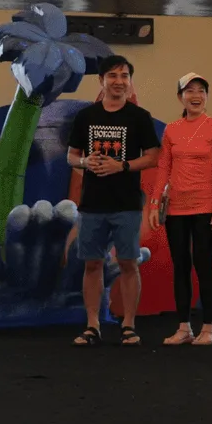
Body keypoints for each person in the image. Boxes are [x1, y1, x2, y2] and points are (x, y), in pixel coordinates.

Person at [67, 56, 160, 347]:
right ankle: (93, 325)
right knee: (92, 264)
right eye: (112, 75)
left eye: (124, 75)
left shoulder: (140, 117)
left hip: (127, 204)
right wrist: (85, 161)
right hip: (92, 204)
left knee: (129, 263)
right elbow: (71, 156)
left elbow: (153, 156)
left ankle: (129, 325)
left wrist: (122, 166)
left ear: (130, 81)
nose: (118, 81)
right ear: (101, 80)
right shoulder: (85, 117)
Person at [150, 73, 212, 346]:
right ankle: (184, 327)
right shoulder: (171, 129)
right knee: (180, 266)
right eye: (189, 91)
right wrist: (154, 204)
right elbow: (163, 169)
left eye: (201, 91)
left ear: (206, 97)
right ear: (180, 97)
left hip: (206, 206)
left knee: (203, 264)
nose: (196, 95)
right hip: (175, 209)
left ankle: (209, 328)